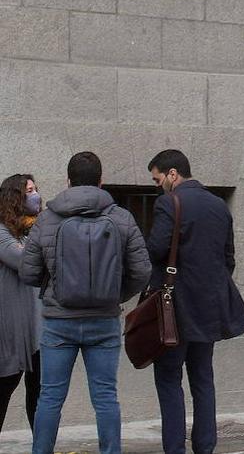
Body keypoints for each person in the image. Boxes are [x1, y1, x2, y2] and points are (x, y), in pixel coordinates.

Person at [19, 151, 151, 454]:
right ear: (101, 182)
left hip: (58, 321)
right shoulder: (121, 217)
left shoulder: (48, 219)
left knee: (50, 396)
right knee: (105, 397)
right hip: (104, 320)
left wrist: (53, 285)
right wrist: (115, 295)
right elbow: (142, 271)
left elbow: (28, 272)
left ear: (68, 181)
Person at [147, 149, 244, 454]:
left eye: (158, 179)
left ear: (172, 174)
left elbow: (156, 249)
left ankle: (175, 449)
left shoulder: (169, 202)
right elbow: (228, 258)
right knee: (203, 379)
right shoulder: (219, 205)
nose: (157, 186)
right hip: (209, 308)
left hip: (175, 309)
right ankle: (205, 447)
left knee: (168, 378)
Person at [0, 174, 41, 433]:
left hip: (37, 329)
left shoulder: (30, 230)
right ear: (15, 197)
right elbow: (24, 262)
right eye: (29, 190)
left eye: (36, 189)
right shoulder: (2, 232)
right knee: (4, 389)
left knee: (39, 394)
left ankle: (41, 446)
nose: (35, 194)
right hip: (11, 329)